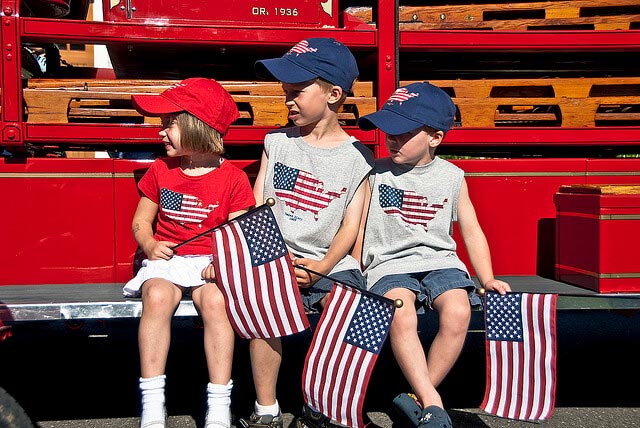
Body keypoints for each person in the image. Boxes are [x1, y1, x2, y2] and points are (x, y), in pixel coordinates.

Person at [353, 81, 512, 427]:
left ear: (435, 138)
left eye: (402, 132)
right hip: (388, 265)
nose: (390, 139)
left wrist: (487, 278)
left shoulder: (452, 177)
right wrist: (356, 268)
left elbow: (471, 230)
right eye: (387, 131)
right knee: (401, 312)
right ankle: (432, 401)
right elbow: (358, 225)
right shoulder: (376, 173)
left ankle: (417, 395)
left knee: (458, 310)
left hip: (441, 262)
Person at [239, 37, 375, 428]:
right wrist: (267, 258)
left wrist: (322, 266)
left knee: (348, 309)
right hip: (275, 256)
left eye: (297, 92)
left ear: (334, 94)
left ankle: (323, 404)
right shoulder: (276, 142)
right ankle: (267, 409)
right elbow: (256, 204)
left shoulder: (357, 157)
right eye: (286, 94)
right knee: (264, 312)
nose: (288, 102)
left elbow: (352, 224)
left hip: (330, 263)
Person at [122, 78, 256, 428]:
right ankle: (152, 401)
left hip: (209, 264)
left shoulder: (233, 179)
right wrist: (150, 245)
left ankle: (219, 402)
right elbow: (141, 222)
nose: (161, 132)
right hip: (167, 261)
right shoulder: (160, 170)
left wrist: (221, 263)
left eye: (169, 124)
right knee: (156, 296)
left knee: (215, 303)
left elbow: (238, 232)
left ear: (198, 127)